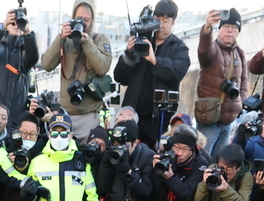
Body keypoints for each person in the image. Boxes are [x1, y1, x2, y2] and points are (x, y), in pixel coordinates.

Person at [114, 0, 191, 146]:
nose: (161, 24)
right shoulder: (142, 41)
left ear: (173, 22)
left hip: (157, 118)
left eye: (165, 20)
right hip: (132, 114)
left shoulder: (179, 48)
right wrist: (129, 54)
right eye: (158, 19)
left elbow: (177, 72)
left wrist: (154, 60)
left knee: (151, 157)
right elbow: (119, 77)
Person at [39, 2, 114, 139]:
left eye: (86, 20)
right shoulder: (65, 39)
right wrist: (60, 38)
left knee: (87, 157)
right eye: (79, 19)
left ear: (92, 21)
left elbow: (103, 67)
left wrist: (87, 43)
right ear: (72, 17)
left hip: (88, 116)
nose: (82, 23)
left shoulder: (100, 39)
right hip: (64, 114)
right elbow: (46, 65)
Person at [196, 9, 249, 153]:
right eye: (226, 26)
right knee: (203, 159)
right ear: (219, 29)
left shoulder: (239, 53)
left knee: (221, 162)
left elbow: (243, 82)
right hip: (210, 119)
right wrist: (207, 28)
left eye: (234, 27)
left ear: (238, 31)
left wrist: (240, 104)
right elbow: (203, 50)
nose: (230, 30)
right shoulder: (212, 49)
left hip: (230, 120)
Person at [0, 9, 38, 131]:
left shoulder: (25, 50)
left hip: (17, 116)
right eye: (12, 23)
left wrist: (28, 33)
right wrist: (0, 28)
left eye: (19, 23)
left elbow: (33, 58)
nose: (16, 26)